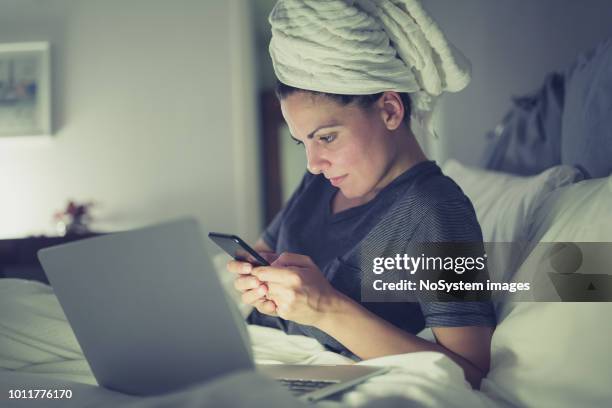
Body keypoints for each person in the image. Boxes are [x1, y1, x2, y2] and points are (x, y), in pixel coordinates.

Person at [227, 0, 496, 389]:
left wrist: (324, 308)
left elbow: (470, 370)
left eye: (327, 137)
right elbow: (262, 250)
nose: (313, 162)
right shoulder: (322, 181)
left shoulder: (437, 210)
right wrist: (260, 278)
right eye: (302, 142)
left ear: (389, 109)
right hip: (253, 358)